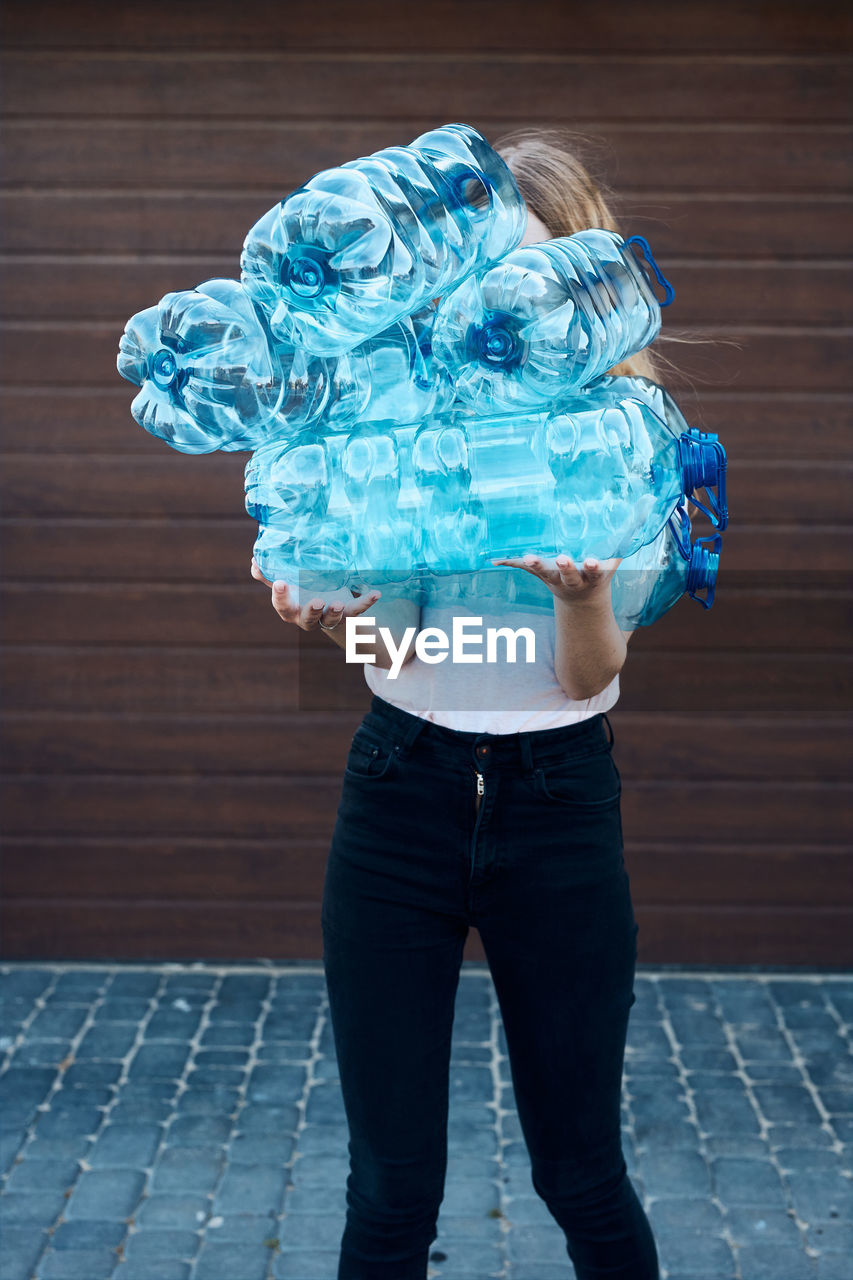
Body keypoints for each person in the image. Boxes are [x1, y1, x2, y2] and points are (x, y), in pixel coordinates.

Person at [250, 127, 674, 1279]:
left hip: (558, 804)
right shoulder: (402, 429)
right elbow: (403, 646)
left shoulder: (623, 451)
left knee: (580, 1169)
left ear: (584, 286)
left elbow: (588, 678)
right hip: (403, 792)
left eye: (531, 276)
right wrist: (342, 616)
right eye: (480, 278)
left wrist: (584, 596)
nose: (502, 312)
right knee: (392, 1185)